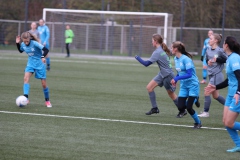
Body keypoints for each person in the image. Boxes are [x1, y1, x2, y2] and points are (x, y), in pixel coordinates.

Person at [135, 33, 187, 118]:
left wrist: (137, 58)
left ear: (155, 42)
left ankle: (183, 110)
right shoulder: (162, 49)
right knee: (149, 88)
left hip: (167, 75)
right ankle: (155, 108)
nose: (151, 42)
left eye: (152, 41)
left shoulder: (158, 52)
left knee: (171, 94)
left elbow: (146, 64)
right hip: (162, 73)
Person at [205, 36, 240, 152]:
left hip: (237, 95)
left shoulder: (235, 58)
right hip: (231, 95)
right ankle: (239, 145)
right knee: (226, 122)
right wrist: (215, 86)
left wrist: (238, 93)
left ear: (226, 45)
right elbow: (228, 80)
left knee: (229, 122)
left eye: (224, 43)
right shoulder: (229, 58)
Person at [15, 31, 52, 108]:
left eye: (27, 41)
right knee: (26, 78)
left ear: (29, 39)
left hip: (40, 65)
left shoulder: (34, 43)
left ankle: (47, 101)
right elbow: (21, 50)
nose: (26, 43)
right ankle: (26, 98)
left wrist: (42, 57)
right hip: (30, 64)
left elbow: (46, 50)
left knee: (44, 84)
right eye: (24, 41)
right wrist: (17, 43)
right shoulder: (23, 44)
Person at [170, 41, 202, 129]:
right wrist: (175, 80)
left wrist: (176, 79)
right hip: (184, 86)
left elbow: (189, 74)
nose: (170, 49)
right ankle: (195, 99)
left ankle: (198, 122)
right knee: (180, 107)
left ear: (176, 49)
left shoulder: (186, 59)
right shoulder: (176, 59)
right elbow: (179, 72)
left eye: (172, 47)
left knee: (189, 108)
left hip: (193, 85)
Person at [198, 33, 227, 117]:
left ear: (216, 40)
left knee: (207, 91)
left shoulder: (220, 50)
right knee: (216, 96)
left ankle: (206, 112)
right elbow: (207, 59)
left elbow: (227, 59)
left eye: (211, 39)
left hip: (216, 74)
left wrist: (217, 59)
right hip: (210, 74)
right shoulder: (208, 49)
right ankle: (230, 107)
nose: (209, 40)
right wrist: (208, 61)